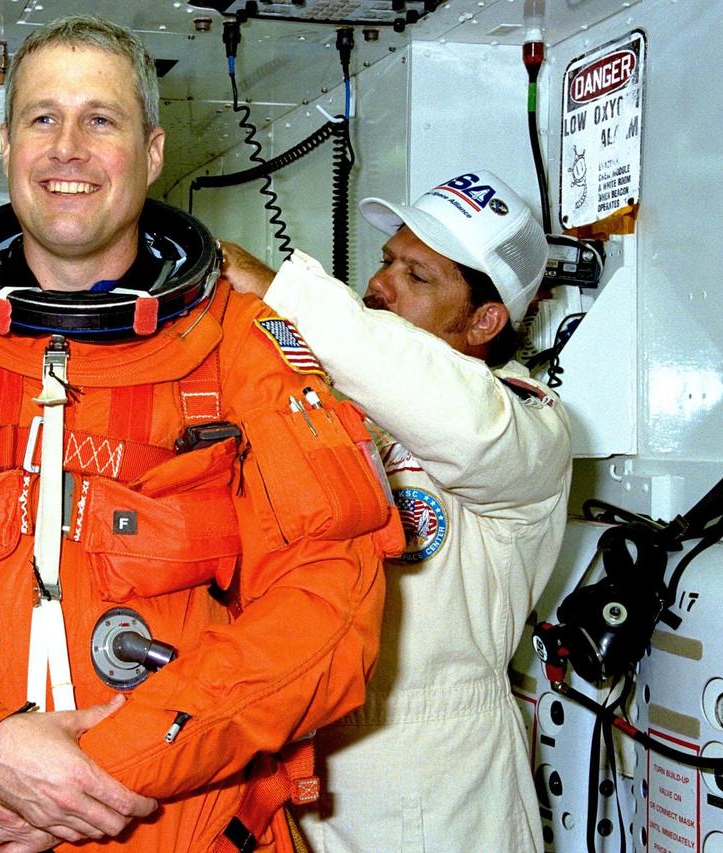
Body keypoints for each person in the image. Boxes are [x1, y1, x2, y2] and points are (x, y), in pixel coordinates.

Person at [0, 15, 404, 853]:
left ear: (154, 151)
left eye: (100, 118)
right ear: (6, 145)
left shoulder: (246, 350)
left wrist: (103, 768)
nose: (68, 147)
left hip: (169, 820)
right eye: (42, 117)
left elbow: (328, 610)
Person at [221, 170, 572, 852]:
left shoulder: (526, 426)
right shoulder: (331, 398)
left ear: (483, 320)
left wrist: (285, 291)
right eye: (387, 260)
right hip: (294, 748)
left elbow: (456, 417)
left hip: (437, 778)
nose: (381, 284)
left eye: (417, 276)